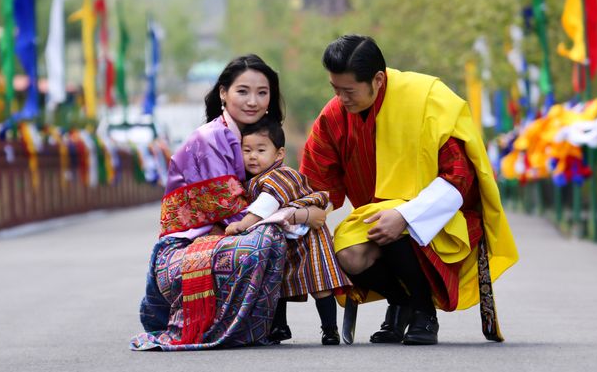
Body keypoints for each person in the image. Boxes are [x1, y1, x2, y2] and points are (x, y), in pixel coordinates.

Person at [300, 35, 518, 346]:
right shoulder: (334, 116)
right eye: (335, 89)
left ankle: (423, 314)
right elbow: (316, 185)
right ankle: (409, 302)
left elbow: (458, 177)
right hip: (376, 221)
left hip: (441, 218)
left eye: (348, 91)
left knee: (393, 225)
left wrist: (405, 213)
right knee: (345, 255)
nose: (341, 99)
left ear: (377, 79)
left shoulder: (426, 99)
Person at [130, 54, 327, 351]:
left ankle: (273, 323)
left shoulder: (252, 138)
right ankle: (239, 326)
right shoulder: (210, 140)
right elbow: (239, 217)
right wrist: (300, 214)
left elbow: (277, 191)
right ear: (223, 92)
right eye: (242, 91)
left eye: (262, 93)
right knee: (266, 235)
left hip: (223, 240)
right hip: (186, 250)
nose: (253, 101)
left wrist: (300, 211)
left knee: (284, 232)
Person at [224, 117, 351, 345]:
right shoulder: (253, 180)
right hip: (283, 239)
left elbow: (268, 203)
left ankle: (329, 329)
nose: (253, 156)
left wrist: (243, 225)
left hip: (308, 239)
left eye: (261, 150)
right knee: (276, 281)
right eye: (247, 150)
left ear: (279, 154)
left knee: (319, 284)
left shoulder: (280, 175)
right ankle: (279, 327)